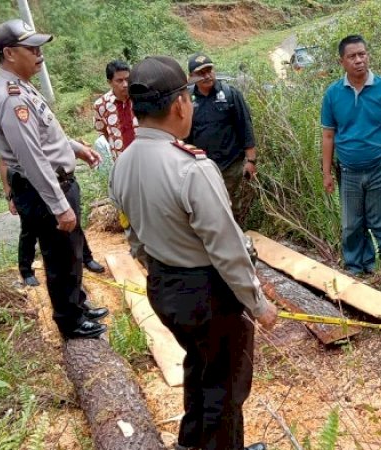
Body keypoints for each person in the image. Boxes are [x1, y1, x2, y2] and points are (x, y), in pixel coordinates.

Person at [110, 55, 277, 450]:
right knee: (225, 388)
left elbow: (133, 237)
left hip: (164, 286)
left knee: (200, 366)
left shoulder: (123, 164)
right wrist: (257, 304)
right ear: (180, 104)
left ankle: (190, 443)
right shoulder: (192, 168)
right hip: (207, 295)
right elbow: (228, 250)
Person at [0, 19, 108, 339]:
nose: (40, 54)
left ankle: (78, 304)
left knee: (72, 252)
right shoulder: (12, 97)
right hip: (44, 190)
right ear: (10, 53)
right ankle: (69, 321)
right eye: (32, 48)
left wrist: (76, 148)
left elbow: (43, 140)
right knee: (59, 256)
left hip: (56, 183)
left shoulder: (23, 86)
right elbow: (31, 157)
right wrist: (58, 205)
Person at [320, 35, 381, 276]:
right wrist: (326, 173)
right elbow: (328, 136)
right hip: (348, 171)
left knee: (380, 222)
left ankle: (372, 265)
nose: (359, 60)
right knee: (351, 224)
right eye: (352, 56)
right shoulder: (333, 94)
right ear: (342, 62)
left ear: (368, 56)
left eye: (362, 54)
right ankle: (353, 267)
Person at [0, 160, 105, 288]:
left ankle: (87, 258)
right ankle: (26, 272)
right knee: (29, 228)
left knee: (72, 222)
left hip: (52, 181)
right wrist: (9, 196)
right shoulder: (10, 141)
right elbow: (4, 164)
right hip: (24, 186)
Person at [185, 53, 257, 223]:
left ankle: (236, 244)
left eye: (209, 70)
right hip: (200, 168)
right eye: (201, 73)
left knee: (232, 208)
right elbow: (183, 135)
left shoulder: (230, 94)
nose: (207, 75)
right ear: (191, 78)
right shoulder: (186, 99)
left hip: (230, 166)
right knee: (204, 209)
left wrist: (251, 161)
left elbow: (245, 127)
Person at [94, 60, 137, 160]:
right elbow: (103, 132)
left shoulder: (140, 97)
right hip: (122, 161)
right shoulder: (101, 105)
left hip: (146, 156)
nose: (125, 84)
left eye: (127, 79)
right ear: (110, 82)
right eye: (119, 80)